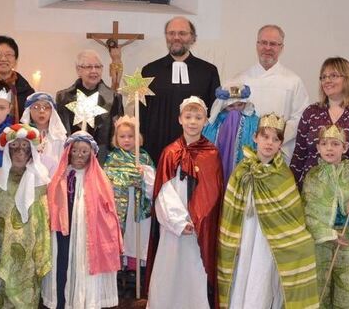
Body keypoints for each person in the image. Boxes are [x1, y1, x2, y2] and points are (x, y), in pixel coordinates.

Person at [217, 113, 319, 309]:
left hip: (268, 241)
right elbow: (230, 208)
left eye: (276, 139)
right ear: (255, 138)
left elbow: (292, 215)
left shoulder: (283, 175)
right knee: (241, 277)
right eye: (265, 137)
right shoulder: (241, 171)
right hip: (245, 234)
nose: (269, 143)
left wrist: (301, 241)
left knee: (261, 282)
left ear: (281, 144)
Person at [145, 96, 224, 309]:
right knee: (169, 271)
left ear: (206, 121)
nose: (192, 121)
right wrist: (179, 222)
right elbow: (162, 192)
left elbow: (213, 193)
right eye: (188, 116)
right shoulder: (170, 152)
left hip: (199, 229)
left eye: (198, 117)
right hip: (173, 228)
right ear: (179, 119)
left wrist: (197, 221)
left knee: (194, 271)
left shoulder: (212, 154)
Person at [42, 131, 122, 309]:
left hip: (87, 234)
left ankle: (83, 302)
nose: (79, 155)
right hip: (63, 232)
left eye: (84, 151)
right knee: (62, 263)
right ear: (68, 152)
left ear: (92, 154)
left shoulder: (99, 180)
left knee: (83, 264)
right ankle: (62, 302)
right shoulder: (60, 176)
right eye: (75, 150)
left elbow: (108, 213)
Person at [291, 56, 349, 202]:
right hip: (312, 197)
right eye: (323, 77)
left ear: (348, 78)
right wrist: (291, 192)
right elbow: (299, 156)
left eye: (333, 75)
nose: (327, 80)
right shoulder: (311, 112)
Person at [301, 125, 349, 309]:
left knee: (344, 285)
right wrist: (328, 234)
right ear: (318, 148)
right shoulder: (313, 176)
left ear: (345, 148)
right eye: (324, 144)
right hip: (321, 240)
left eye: (335, 144)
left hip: (345, 238)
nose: (329, 148)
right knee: (320, 284)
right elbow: (308, 210)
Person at [140, 16, 221, 163]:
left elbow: (214, 115)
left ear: (193, 38)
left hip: (196, 152)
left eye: (182, 33)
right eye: (171, 33)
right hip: (156, 150)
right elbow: (142, 114)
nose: (176, 37)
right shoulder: (149, 71)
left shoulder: (208, 71)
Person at [0, 124, 51, 309]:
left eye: (25, 148)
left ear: (32, 153)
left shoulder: (40, 180)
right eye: (14, 148)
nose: (19, 153)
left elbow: (44, 219)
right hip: (3, 248)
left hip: (30, 246)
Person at [228, 24, 309, 161]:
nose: (267, 48)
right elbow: (230, 116)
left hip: (279, 154)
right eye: (263, 43)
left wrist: (274, 139)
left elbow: (300, 117)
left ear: (281, 48)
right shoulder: (239, 80)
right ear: (257, 45)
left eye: (273, 44)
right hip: (245, 152)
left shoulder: (293, 81)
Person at [103, 116, 155, 271]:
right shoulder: (112, 157)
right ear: (116, 138)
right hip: (118, 206)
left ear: (137, 137)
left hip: (136, 206)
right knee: (119, 238)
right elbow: (106, 179)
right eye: (122, 136)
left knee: (135, 239)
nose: (126, 140)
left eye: (130, 136)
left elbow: (154, 183)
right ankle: (119, 272)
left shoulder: (143, 157)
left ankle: (135, 273)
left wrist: (145, 173)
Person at [56, 50, 123, 163]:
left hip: (102, 160)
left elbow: (117, 134)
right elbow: (59, 131)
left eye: (97, 67)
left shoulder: (114, 97)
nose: (94, 71)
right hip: (72, 159)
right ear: (78, 70)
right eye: (88, 67)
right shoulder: (63, 97)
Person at [202, 84, 259, 183]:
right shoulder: (214, 124)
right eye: (231, 106)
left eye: (240, 105)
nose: (235, 109)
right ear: (223, 106)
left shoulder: (254, 123)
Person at [19, 92, 67, 176]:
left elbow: (62, 166)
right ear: (29, 110)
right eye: (36, 107)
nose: (41, 111)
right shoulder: (21, 135)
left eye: (47, 107)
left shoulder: (60, 138)